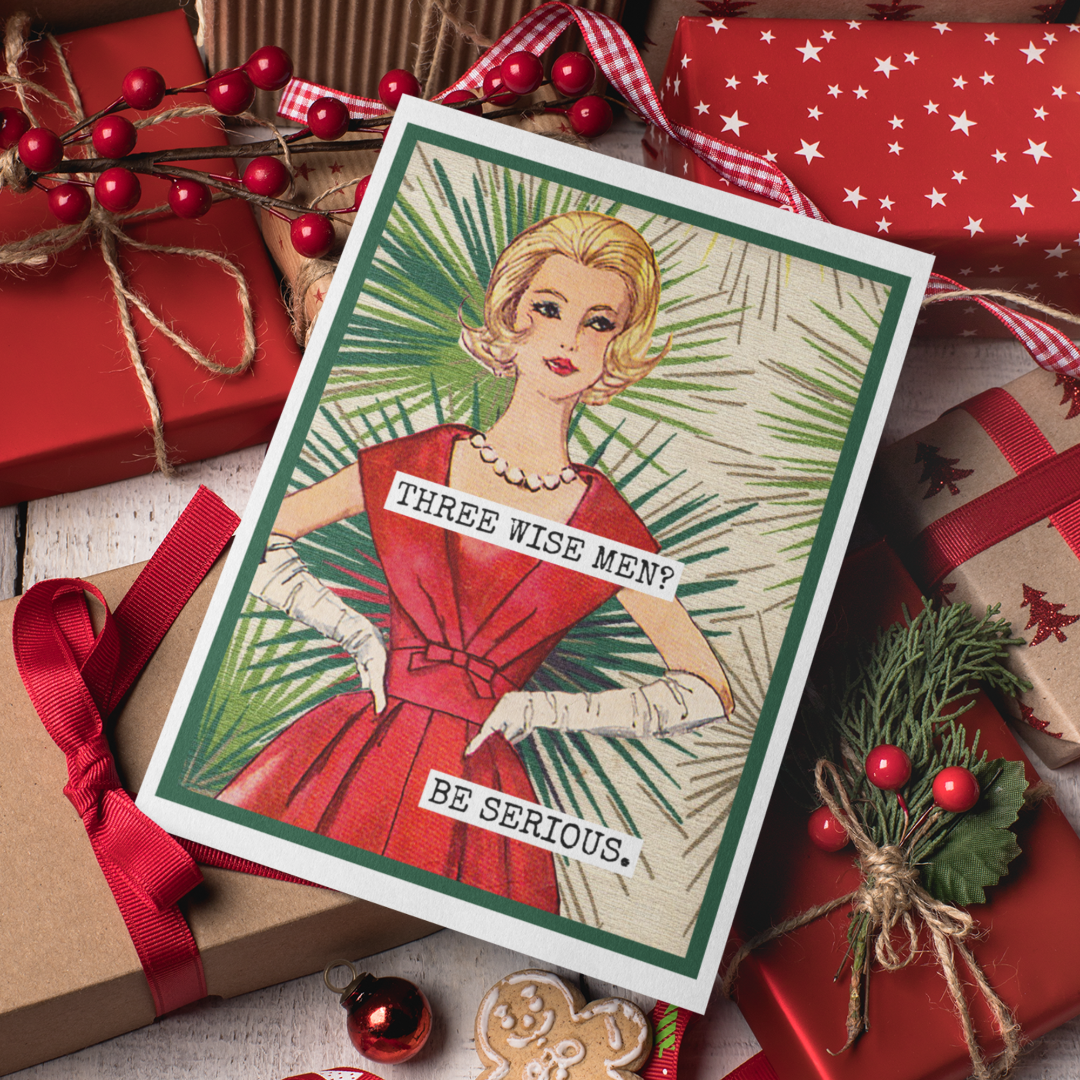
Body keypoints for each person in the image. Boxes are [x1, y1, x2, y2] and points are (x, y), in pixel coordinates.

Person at [219, 211, 734, 915]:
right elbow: (257, 538)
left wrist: (549, 708)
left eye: (599, 322)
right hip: (351, 740)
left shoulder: (607, 525)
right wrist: (354, 632)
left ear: (619, 346)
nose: (568, 339)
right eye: (548, 308)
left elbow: (708, 688)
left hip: (478, 786)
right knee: (260, 904)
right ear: (511, 313)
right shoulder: (421, 459)